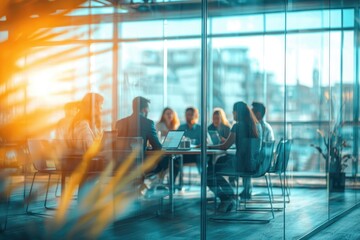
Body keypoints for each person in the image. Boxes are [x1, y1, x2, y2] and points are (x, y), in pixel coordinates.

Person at [207, 101, 262, 212]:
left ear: (237, 113)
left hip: (241, 165)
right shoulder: (256, 126)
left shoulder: (237, 126)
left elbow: (224, 146)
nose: (233, 115)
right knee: (218, 163)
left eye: (233, 112)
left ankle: (226, 197)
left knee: (208, 173)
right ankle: (230, 195)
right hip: (253, 164)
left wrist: (207, 146)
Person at [115, 96, 167, 193]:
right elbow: (157, 147)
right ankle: (151, 186)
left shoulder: (119, 123)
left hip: (120, 163)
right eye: (148, 109)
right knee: (166, 160)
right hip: (138, 164)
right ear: (144, 109)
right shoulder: (148, 123)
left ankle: (141, 186)